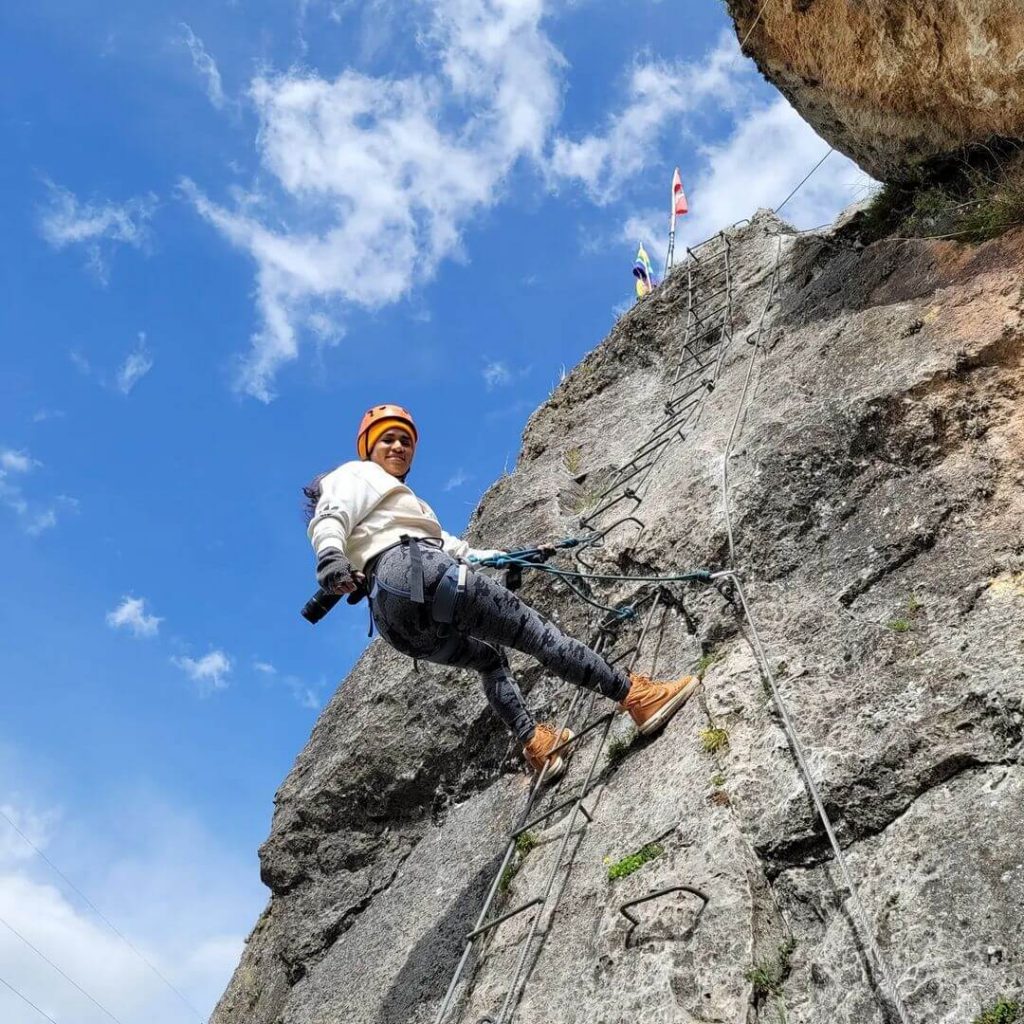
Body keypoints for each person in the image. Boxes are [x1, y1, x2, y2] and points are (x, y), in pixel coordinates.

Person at [304, 404, 699, 781]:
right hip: (415, 571)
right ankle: (636, 695)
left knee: (489, 660)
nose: (398, 447)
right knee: (536, 635)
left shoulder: (402, 507)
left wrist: (511, 557)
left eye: (405, 442)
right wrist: (329, 559)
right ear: (368, 448)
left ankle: (536, 743)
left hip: (398, 621)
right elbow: (330, 517)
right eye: (388, 439)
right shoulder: (354, 475)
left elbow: (460, 552)